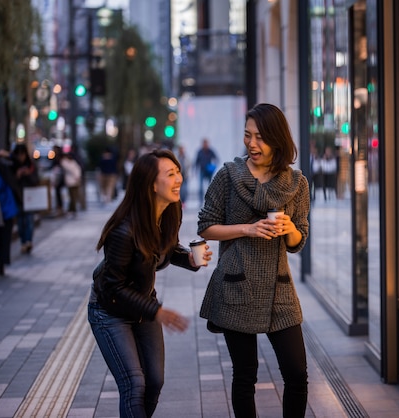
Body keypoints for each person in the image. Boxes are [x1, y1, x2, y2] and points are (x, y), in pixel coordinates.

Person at [197, 103, 310, 417]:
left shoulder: (297, 184)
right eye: (247, 136)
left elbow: (299, 241)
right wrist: (247, 228)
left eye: (260, 137)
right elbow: (206, 225)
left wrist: (289, 230)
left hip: (279, 289)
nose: (251, 143)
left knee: (297, 374)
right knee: (245, 374)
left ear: (277, 139)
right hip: (236, 285)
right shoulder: (228, 176)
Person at [88, 149, 213, 417]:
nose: (179, 178)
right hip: (109, 311)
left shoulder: (169, 212)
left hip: (144, 306)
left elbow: (166, 247)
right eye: (170, 174)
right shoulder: (123, 230)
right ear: (151, 184)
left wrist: (189, 260)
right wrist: (157, 311)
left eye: (178, 171)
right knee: (134, 384)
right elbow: (113, 288)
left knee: (154, 381)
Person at [10, 144, 40, 253]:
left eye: (22, 154)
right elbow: (11, 183)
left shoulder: (31, 166)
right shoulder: (12, 166)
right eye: (18, 155)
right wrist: (17, 175)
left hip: (30, 198)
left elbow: (36, 180)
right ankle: (23, 242)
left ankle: (28, 242)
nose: (20, 157)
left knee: (29, 221)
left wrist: (27, 174)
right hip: (18, 198)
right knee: (20, 223)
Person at [0, 153, 19, 276]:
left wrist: (9, 154)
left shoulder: (3, 168)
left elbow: (18, 162)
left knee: (4, 239)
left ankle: (1, 265)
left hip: (6, 208)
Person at [60, 152, 82, 218]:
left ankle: (72, 210)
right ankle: (72, 210)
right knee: (72, 196)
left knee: (74, 196)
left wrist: (78, 176)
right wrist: (76, 175)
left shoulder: (73, 162)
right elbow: (71, 169)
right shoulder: (64, 162)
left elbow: (78, 169)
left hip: (76, 181)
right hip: (70, 181)